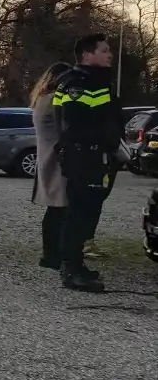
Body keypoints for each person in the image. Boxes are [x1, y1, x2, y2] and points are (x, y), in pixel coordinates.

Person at [52, 33, 123, 292]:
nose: (110, 54)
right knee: (79, 213)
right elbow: (77, 124)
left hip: (97, 157)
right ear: (86, 55)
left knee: (90, 213)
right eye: (104, 50)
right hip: (83, 157)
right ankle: (71, 269)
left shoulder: (97, 81)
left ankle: (78, 264)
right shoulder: (77, 84)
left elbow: (108, 119)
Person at [30, 61, 73, 272]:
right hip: (57, 159)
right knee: (59, 210)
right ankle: (53, 254)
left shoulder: (41, 99)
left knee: (56, 210)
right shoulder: (54, 99)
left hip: (48, 157)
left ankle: (51, 254)